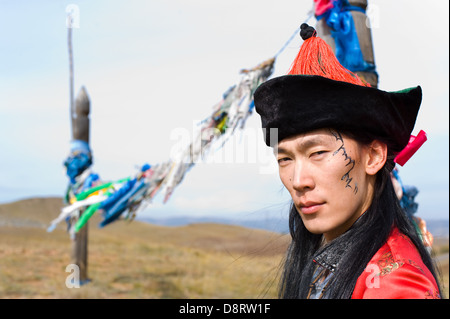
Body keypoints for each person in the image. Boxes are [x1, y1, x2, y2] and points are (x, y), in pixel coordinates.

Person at [253, 24, 442, 299]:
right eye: (285, 158)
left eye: (317, 152)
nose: (298, 181)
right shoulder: (330, 258)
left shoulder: (395, 284)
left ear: (374, 156)